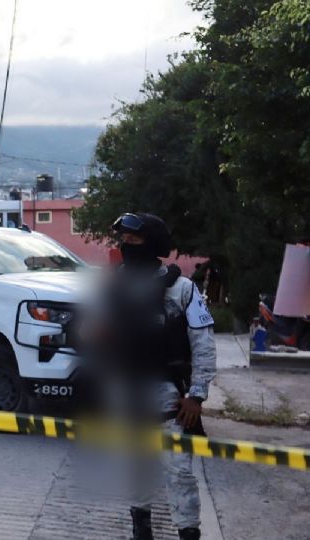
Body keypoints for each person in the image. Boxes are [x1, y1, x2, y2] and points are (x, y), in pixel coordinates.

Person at [109, 213, 217, 540]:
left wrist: (197, 395)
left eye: (134, 240)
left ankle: (188, 533)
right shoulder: (113, 285)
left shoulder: (182, 289)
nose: (126, 245)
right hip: (126, 394)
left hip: (171, 401)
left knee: (179, 474)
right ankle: (141, 532)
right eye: (123, 240)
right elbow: (89, 328)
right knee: (134, 471)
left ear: (153, 243)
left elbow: (204, 344)